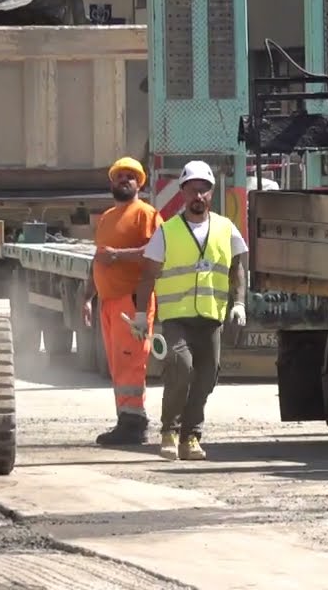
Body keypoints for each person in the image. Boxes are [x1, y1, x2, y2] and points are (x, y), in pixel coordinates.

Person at [129, 160, 248, 461]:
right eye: (193, 190)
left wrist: (239, 304)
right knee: (182, 367)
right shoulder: (166, 232)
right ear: (183, 192)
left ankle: (190, 437)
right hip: (176, 317)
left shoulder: (226, 229)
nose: (199, 196)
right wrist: (142, 315)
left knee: (208, 376)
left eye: (204, 190)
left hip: (210, 317)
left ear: (211, 194)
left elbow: (238, 269)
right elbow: (147, 276)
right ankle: (169, 429)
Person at [81, 156, 162, 446]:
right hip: (109, 301)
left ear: (139, 183)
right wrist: (88, 296)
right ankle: (125, 418)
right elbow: (98, 258)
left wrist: (118, 255)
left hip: (133, 300)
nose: (124, 180)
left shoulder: (146, 214)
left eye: (131, 176)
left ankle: (134, 422)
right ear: (112, 183)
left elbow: (155, 253)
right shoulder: (106, 218)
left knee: (131, 362)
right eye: (119, 176)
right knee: (117, 364)